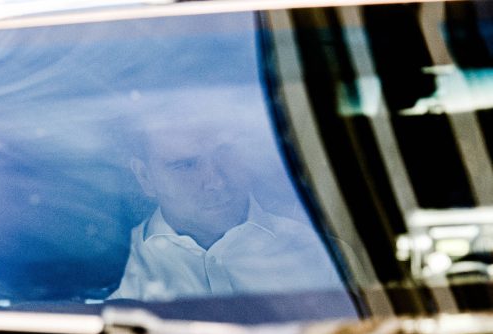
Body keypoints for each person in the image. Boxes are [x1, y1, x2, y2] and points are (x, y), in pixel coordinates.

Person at [109, 92, 344, 301]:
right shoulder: (114, 274)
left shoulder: (322, 256)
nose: (216, 181)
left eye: (225, 152)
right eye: (186, 165)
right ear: (145, 176)